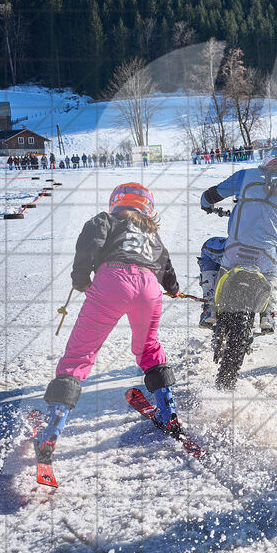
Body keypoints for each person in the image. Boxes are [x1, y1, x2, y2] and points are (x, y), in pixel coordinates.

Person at [38, 183, 182, 468]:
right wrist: (174, 289)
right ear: (147, 207)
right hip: (149, 288)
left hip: (112, 281)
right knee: (149, 348)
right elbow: (166, 265)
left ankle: (52, 427)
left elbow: (90, 240)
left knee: (80, 354)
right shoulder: (152, 234)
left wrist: (81, 279)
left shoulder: (107, 220)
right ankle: (169, 412)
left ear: (117, 202)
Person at [198, 146, 277, 332]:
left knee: (207, 249)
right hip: (265, 257)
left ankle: (210, 305)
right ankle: (268, 312)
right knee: (274, 268)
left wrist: (206, 204)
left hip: (234, 251)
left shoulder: (246, 175)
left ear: (268, 158)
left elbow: (211, 195)